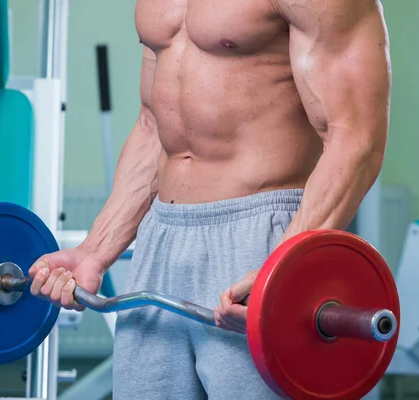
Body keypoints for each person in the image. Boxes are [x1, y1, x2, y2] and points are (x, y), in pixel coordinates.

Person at [29, 0, 391, 398]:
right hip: (161, 238)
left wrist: (283, 270)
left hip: (261, 239)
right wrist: (95, 252)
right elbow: (154, 124)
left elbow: (356, 136)